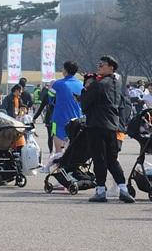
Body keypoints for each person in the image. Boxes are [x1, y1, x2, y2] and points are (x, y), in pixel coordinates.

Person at [81, 55, 134, 203]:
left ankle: (100, 191)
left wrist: (85, 89)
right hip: (113, 126)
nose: (99, 67)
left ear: (111, 67)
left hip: (97, 125)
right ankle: (123, 189)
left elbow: (85, 105)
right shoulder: (117, 84)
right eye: (98, 64)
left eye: (102, 65)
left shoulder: (98, 85)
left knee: (99, 159)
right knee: (112, 160)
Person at [49, 61, 83, 153]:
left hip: (59, 120)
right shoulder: (81, 84)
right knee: (74, 151)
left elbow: (50, 99)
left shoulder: (57, 84)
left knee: (59, 151)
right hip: (76, 121)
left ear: (65, 70)